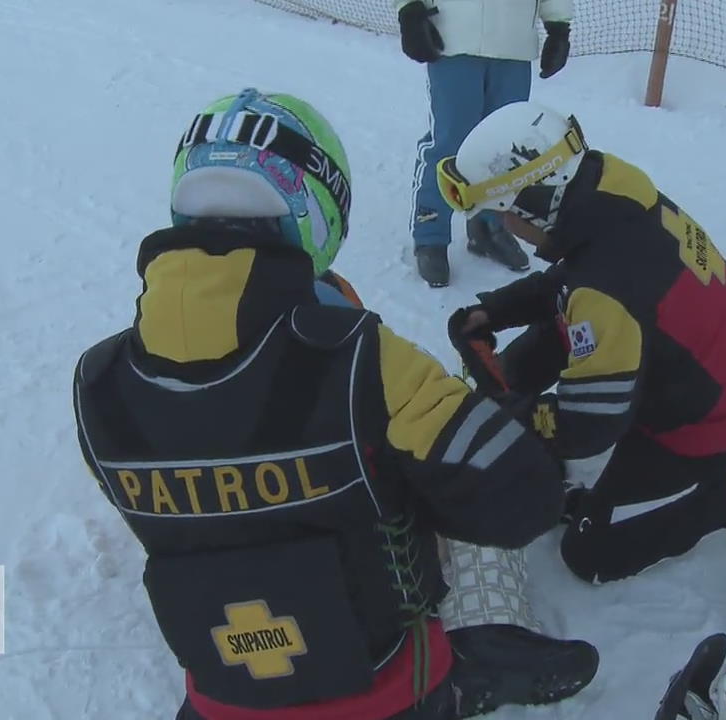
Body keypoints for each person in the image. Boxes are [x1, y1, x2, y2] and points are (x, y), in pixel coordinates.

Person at [71, 88, 597, 720]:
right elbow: (522, 501)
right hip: (388, 692)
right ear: (317, 212)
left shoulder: (97, 383)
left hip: (222, 696)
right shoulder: (362, 358)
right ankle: (484, 650)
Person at [436, 100, 726, 585]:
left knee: (589, 552)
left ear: (536, 202)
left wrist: (518, 416)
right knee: (517, 375)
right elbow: (572, 279)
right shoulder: (608, 194)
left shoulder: (606, 292)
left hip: (706, 425)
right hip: (683, 358)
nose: (505, 226)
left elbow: (589, 428)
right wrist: (495, 311)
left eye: (504, 213)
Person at [395, 0, 572, 287]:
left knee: (505, 146)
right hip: (454, 38)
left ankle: (489, 224)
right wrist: (409, 9)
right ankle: (431, 233)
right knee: (449, 142)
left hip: (512, 43)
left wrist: (559, 25)